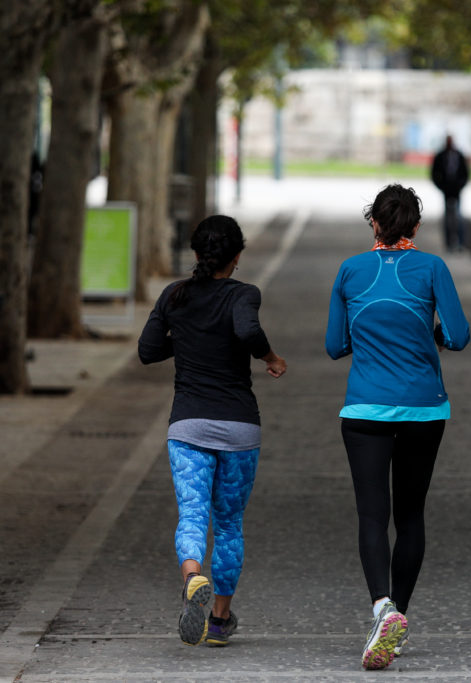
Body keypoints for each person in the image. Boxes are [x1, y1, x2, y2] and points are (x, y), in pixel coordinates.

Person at [325, 183, 470, 670]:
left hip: (364, 409)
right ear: (416, 226)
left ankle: (381, 608)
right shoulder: (433, 268)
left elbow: (334, 344)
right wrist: (428, 338)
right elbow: (459, 335)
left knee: (372, 515)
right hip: (424, 410)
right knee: (410, 516)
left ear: (373, 224)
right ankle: (397, 621)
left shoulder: (350, 270)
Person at [138, 215, 287, 647]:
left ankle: (191, 576)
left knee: (192, 515)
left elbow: (148, 351)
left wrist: (185, 335)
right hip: (239, 428)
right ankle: (219, 622)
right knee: (228, 525)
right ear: (237, 256)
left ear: (196, 254)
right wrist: (271, 357)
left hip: (187, 427)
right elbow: (247, 329)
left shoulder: (173, 295)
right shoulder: (245, 294)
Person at [430, 135, 470, 251]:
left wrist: (460, 185)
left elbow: (465, 173)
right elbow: (434, 173)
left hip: (457, 191)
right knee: (448, 218)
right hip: (446, 191)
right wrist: (441, 187)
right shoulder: (440, 156)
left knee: (458, 217)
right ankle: (449, 243)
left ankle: (461, 242)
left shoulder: (458, 156)